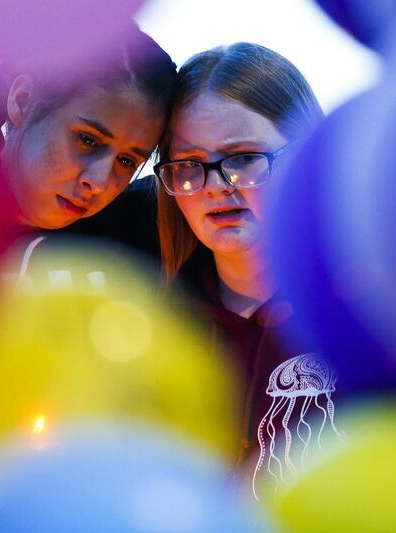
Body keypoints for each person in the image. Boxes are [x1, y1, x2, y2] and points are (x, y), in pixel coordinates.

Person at [154, 43, 341, 499]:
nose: (215, 185)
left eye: (242, 158)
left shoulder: (362, 310)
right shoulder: (155, 324)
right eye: (189, 165)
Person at [0, 24, 177, 231]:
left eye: (126, 161)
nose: (98, 183)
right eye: (88, 140)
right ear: (22, 101)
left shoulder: (137, 233)